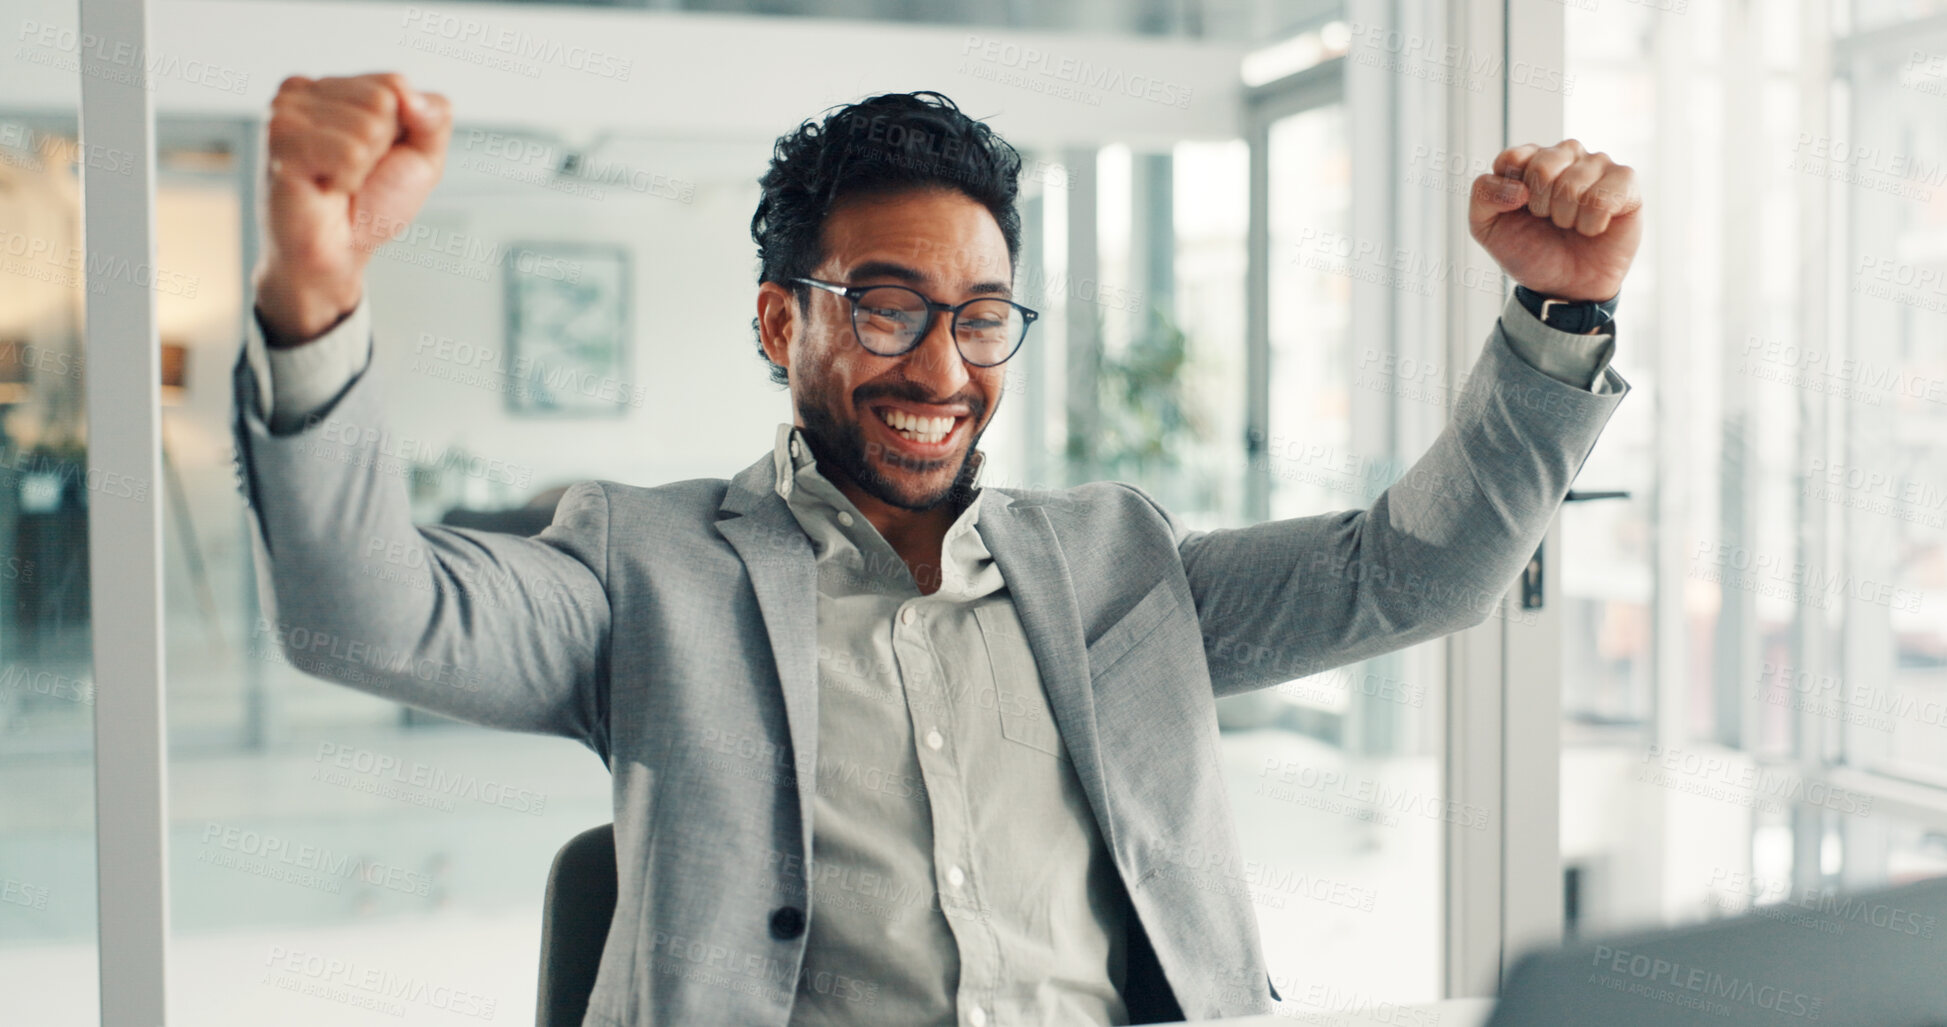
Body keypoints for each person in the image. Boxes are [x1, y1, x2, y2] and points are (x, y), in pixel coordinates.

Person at [232, 72, 1637, 1027]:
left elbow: (1417, 570)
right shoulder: (644, 569)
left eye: (981, 316)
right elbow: (369, 615)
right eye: (888, 306)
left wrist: (1555, 322)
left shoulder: (1120, 565)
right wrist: (314, 297)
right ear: (783, 325)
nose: (942, 368)